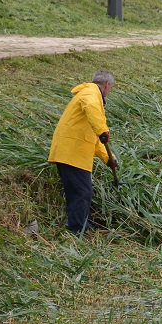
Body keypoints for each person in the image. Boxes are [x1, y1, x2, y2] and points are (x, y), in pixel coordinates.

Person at [48, 70, 116, 234]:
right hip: (71, 152)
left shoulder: (90, 96)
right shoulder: (91, 94)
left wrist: (109, 158)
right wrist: (102, 130)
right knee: (81, 192)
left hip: (73, 152)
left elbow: (94, 138)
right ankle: (77, 230)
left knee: (81, 191)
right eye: (111, 88)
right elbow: (99, 130)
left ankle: (83, 224)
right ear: (107, 85)